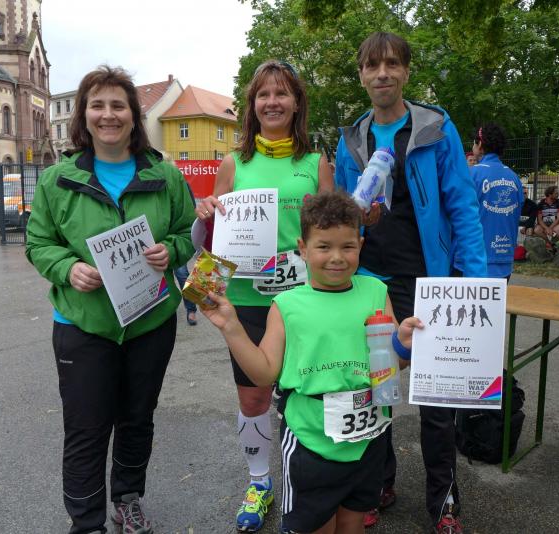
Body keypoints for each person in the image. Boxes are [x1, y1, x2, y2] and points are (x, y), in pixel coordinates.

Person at [25, 66, 195, 534]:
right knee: (86, 428)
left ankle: (128, 499)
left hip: (149, 322)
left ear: (133, 115)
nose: (108, 115)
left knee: (137, 419)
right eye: (97, 105)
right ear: (83, 114)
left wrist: (172, 250)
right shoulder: (57, 179)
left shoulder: (165, 175)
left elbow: (188, 232)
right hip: (84, 325)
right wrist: (67, 268)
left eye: (118, 105)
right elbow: (38, 243)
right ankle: (87, 523)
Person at [334, 32, 486, 534]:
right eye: (372, 66)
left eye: (392, 64)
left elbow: (462, 204)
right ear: (361, 75)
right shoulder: (351, 139)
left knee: (436, 402)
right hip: (370, 283)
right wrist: (359, 222)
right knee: (377, 391)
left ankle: (444, 501)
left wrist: (476, 283)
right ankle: (378, 485)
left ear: (405, 71)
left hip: (429, 283)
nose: (383, 73)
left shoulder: (435, 127)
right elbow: (342, 213)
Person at [201, 191, 421, 534]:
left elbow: (390, 365)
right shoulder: (287, 305)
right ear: (302, 248)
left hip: (369, 439)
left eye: (347, 246)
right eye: (324, 246)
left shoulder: (376, 292)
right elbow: (264, 373)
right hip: (310, 442)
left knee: (353, 523)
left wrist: (403, 347)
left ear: (361, 245)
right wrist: (231, 327)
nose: (337, 257)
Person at [194, 60, 333, 532]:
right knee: (254, 399)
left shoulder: (316, 164)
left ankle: (304, 480)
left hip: (302, 300)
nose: (272, 102)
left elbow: (330, 231)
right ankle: (259, 482)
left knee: (304, 396)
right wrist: (205, 215)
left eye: (282, 93)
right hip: (248, 301)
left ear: (296, 103)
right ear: (252, 105)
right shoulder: (234, 163)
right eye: (263, 95)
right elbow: (215, 235)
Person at [470, 123, 523, 279]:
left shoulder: (472, 174)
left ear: (480, 145)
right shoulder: (514, 177)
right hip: (504, 259)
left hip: (474, 260)